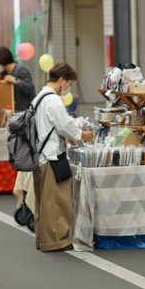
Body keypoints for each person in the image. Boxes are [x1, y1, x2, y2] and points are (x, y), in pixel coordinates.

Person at [31, 63, 91, 251]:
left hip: (39, 154)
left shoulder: (39, 97)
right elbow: (65, 125)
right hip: (52, 156)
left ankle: (44, 239)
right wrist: (81, 135)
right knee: (56, 201)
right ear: (62, 80)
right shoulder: (53, 100)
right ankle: (56, 241)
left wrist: (67, 136)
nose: (69, 88)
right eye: (70, 84)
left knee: (44, 201)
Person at [0, 46, 35, 111]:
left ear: (2, 60)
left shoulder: (21, 71)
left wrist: (15, 80)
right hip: (9, 112)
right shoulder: (3, 73)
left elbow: (30, 88)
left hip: (23, 113)